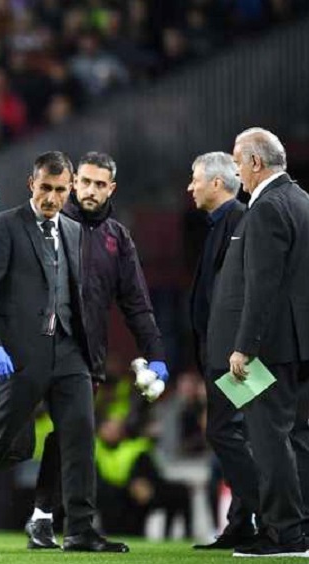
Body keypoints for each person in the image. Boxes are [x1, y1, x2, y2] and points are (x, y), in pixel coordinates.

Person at [0, 151, 128, 553]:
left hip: (69, 351)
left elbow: (78, 295)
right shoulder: (5, 225)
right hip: (21, 354)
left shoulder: (73, 230)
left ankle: (80, 530)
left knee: (80, 436)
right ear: (31, 184)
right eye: (45, 188)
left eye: (60, 190)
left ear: (70, 189)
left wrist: (90, 353)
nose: (52, 198)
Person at [26, 152, 168, 549]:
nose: (90, 190)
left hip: (84, 356)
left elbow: (137, 303)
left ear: (111, 189)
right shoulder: (48, 223)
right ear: (73, 182)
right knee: (5, 439)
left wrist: (156, 353)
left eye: (99, 184)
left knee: (75, 435)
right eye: (85, 182)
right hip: (34, 350)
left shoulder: (117, 239)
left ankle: (64, 523)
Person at [208, 128, 309, 557]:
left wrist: (244, 345)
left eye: (237, 162)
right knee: (297, 437)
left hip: (270, 347)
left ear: (254, 161)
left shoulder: (267, 207)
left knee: (269, 440)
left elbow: (262, 285)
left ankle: (283, 533)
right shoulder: (302, 200)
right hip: (298, 344)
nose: (236, 172)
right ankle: (299, 527)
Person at [187, 151, 258, 549]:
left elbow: (249, 290)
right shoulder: (220, 224)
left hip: (236, 355)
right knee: (236, 432)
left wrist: (241, 347)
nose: (190, 187)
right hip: (220, 351)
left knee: (226, 430)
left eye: (195, 179)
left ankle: (272, 512)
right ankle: (242, 523)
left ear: (217, 183)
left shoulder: (241, 221)